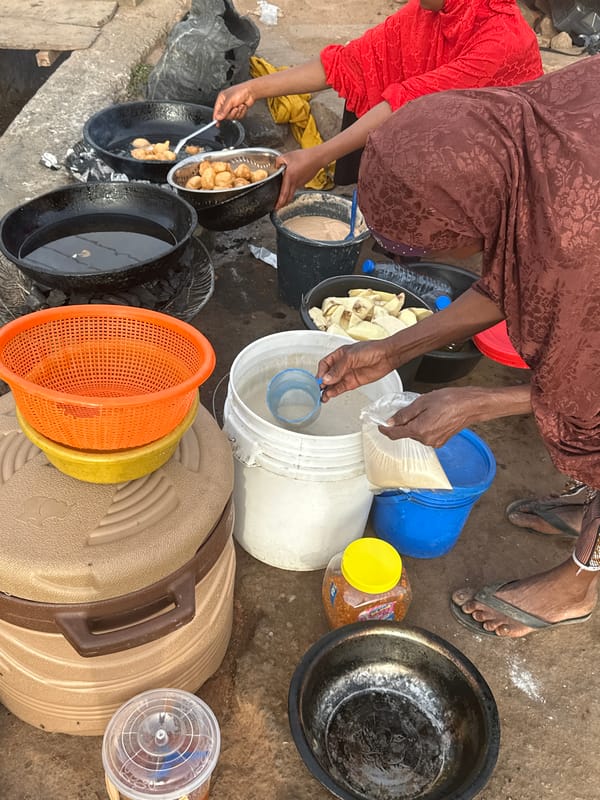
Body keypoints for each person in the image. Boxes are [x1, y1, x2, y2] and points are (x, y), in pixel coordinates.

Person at [317, 54, 600, 639]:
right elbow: (517, 270)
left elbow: (586, 388)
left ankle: (577, 586)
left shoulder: (571, 249)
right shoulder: (514, 136)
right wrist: (392, 350)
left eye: (424, 251)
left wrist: (478, 402)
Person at [213, 0, 542, 208]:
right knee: (371, 79)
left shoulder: (501, 39)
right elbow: (350, 63)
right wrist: (252, 88)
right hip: (436, 137)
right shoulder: (430, 11)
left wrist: (316, 156)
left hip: (492, 165)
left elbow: (408, 103)